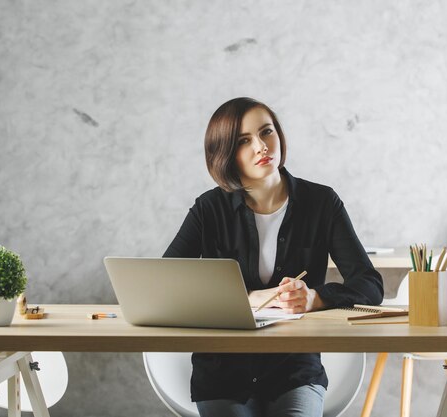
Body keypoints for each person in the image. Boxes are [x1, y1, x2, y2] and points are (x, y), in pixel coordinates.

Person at [164, 97, 383, 417]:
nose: (261, 146)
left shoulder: (321, 202)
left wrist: (315, 298)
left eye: (266, 132)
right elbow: (166, 285)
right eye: (244, 141)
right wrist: (251, 298)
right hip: (222, 374)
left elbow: (370, 284)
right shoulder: (209, 209)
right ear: (225, 155)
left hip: (295, 371)